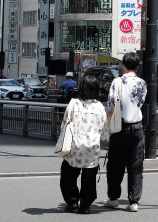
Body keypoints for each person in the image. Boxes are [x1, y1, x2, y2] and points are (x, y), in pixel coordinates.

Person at [59, 73, 109, 214]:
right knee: (89, 178)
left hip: (74, 147)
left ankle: (72, 201)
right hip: (92, 148)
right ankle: (85, 206)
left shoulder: (74, 104)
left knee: (68, 175)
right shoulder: (99, 107)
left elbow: (64, 125)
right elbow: (105, 132)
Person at [104, 52, 147, 212]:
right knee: (136, 164)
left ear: (123, 65)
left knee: (116, 164)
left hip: (120, 127)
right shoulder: (142, 83)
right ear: (137, 66)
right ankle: (133, 202)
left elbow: (110, 105)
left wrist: (103, 119)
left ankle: (113, 198)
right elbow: (140, 102)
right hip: (137, 127)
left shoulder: (117, 81)